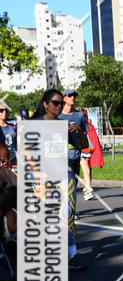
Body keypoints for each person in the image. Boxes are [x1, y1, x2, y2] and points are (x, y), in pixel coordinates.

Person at [32, 90, 87, 270]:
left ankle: (71, 255)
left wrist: (78, 130)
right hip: (44, 177)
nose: (58, 106)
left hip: (66, 175)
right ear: (46, 104)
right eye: (55, 103)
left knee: (68, 213)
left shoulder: (66, 124)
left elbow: (85, 146)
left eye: (60, 103)